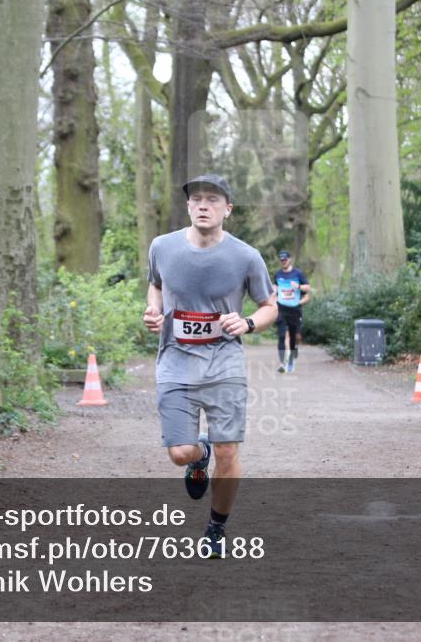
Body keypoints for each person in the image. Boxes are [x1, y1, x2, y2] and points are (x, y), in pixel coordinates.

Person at [142, 173, 277, 558]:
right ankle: (198, 456)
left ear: (227, 209)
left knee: (228, 451)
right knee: (180, 453)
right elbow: (156, 285)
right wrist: (153, 310)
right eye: (197, 199)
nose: (204, 205)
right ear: (188, 206)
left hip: (224, 363)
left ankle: (216, 527)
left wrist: (247, 323)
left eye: (213, 200)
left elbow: (270, 306)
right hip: (176, 361)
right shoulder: (162, 247)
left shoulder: (246, 256)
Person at [274, 250, 311, 373]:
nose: (283, 262)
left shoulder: (297, 273)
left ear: (290, 259)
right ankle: (281, 363)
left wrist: (299, 287)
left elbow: (308, 288)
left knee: (295, 337)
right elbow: (275, 288)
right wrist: (273, 296)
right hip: (281, 309)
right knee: (281, 336)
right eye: (281, 260)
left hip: (295, 310)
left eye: (285, 259)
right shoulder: (278, 274)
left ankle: (291, 358)